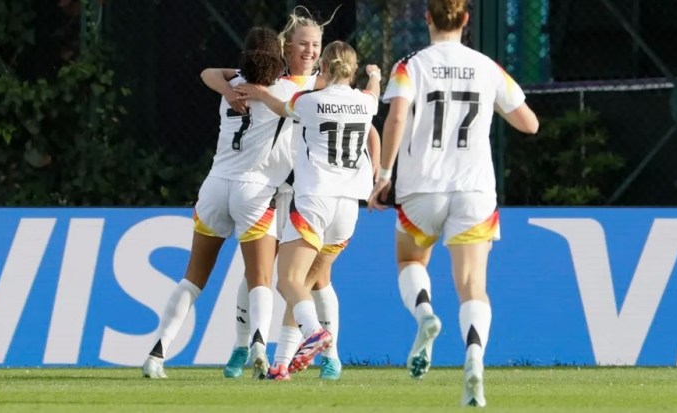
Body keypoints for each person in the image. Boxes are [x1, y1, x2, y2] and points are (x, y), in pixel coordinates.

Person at [367, 0, 538, 407]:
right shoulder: (487, 66)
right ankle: (474, 357)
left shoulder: (411, 65)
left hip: (421, 186)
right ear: (465, 20)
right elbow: (529, 124)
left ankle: (426, 315)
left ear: (427, 19)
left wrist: (384, 176)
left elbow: (395, 119)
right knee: (472, 285)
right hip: (474, 189)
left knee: (411, 263)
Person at [215, 6, 376, 381]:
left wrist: (379, 166)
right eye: (303, 43)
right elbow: (209, 73)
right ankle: (250, 348)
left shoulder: (314, 91)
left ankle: (327, 354)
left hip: (310, 194)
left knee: (313, 281)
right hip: (279, 190)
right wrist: (228, 86)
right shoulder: (276, 79)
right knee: (260, 273)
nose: (310, 51)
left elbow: (371, 132)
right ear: (287, 47)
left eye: (316, 45)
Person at [141, 26, 298, 380]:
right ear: (278, 58)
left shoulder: (231, 87)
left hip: (214, 187)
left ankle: (156, 354)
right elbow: (305, 100)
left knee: (192, 279)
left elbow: (209, 73)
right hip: (254, 191)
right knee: (260, 278)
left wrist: (229, 88)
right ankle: (259, 347)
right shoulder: (286, 90)